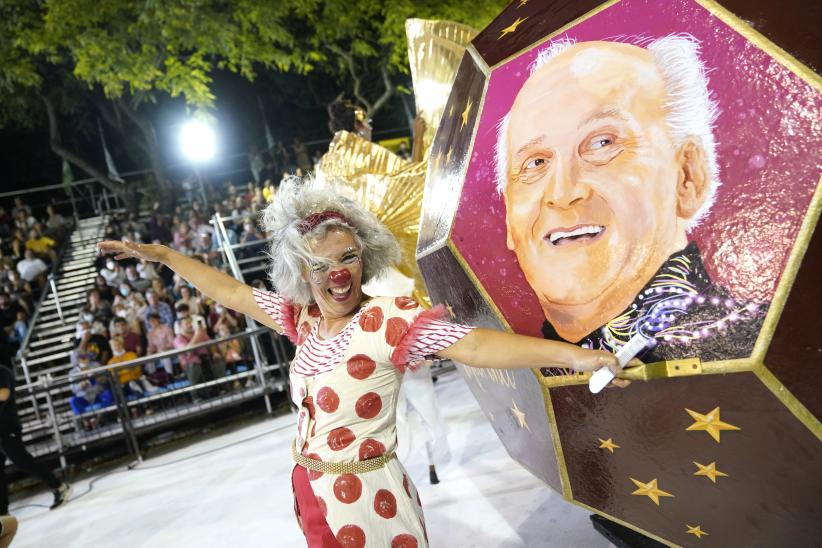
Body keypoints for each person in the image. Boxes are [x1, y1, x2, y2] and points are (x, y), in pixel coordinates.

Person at [98, 177, 625, 548]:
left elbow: (476, 346)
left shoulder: (390, 320)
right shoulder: (300, 320)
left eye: (348, 257)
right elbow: (231, 292)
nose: (338, 273)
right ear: (302, 272)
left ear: (365, 257)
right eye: (322, 264)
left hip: (369, 500)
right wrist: (165, 257)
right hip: (309, 489)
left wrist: (572, 355)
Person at [494, 35, 765, 365]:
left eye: (602, 143)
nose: (562, 193)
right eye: (535, 163)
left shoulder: (759, 346)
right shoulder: (523, 377)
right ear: (509, 216)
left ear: (688, 177)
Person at [0, 363, 71, 512]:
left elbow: (3, 394)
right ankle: (3, 510)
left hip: (6, 425)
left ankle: (58, 486)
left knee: (23, 461)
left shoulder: (2, 371)